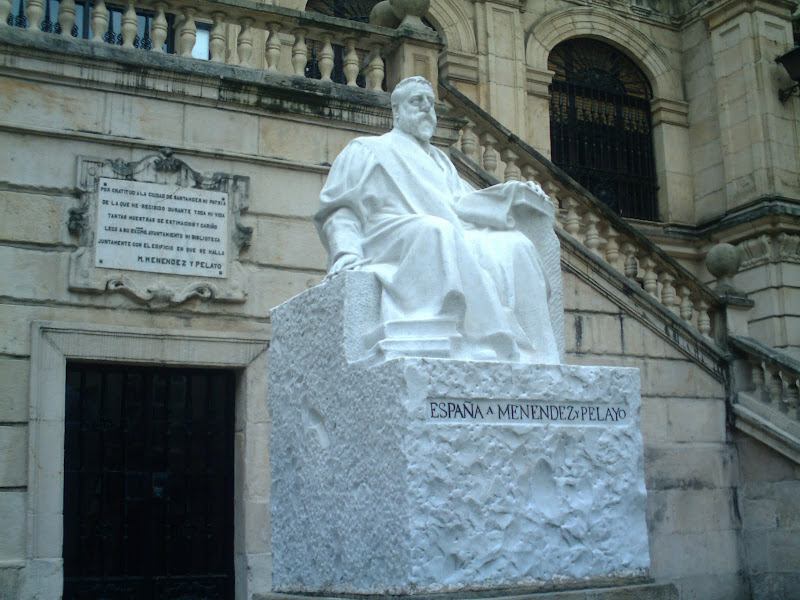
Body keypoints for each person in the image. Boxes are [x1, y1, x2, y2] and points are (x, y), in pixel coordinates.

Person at [314, 76, 560, 363]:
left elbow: (461, 203)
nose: (426, 109)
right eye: (417, 102)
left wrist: (512, 195)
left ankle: (539, 356)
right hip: (387, 233)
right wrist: (346, 252)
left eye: (430, 104)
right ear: (396, 111)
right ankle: (489, 338)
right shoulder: (367, 149)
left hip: (450, 229)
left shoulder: (441, 161)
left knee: (516, 246)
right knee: (437, 230)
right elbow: (339, 209)